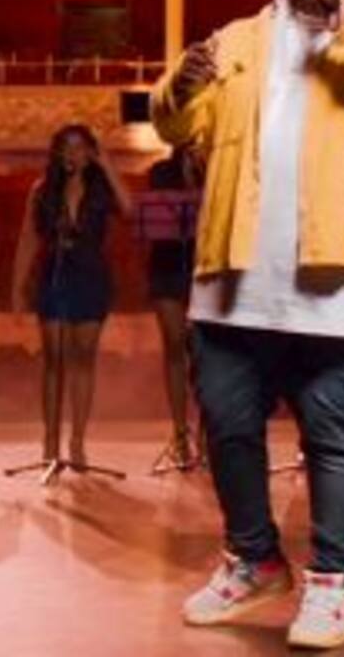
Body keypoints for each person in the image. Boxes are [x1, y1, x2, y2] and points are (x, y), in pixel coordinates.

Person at [153, 0, 344, 648]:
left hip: (332, 291)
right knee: (228, 428)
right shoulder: (237, 40)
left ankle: (334, 583)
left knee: (334, 440)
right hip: (232, 284)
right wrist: (179, 87)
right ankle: (254, 559)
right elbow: (177, 126)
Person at [11, 124, 133, 469]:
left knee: (84, 358)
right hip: (55, 274)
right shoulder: (42, 190)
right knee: (54, 358)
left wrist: (107, 164)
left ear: (90, 152)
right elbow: (28, 239)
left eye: (79, 147)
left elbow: (129, 208)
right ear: (57, 152)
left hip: (91, 276)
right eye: (66, 146)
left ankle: (77, 439)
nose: (72, 153)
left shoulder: (101, 188)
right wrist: (17, 287)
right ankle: (50, 439)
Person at [146, 144, 204, 467]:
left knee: (206, 352)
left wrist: (199, 175)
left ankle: (209, 437)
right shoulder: (161, 171)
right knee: (174, 344)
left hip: (205, 267)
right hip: (167, 267)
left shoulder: (215, 169)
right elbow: (158, 218)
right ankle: (180, 434)